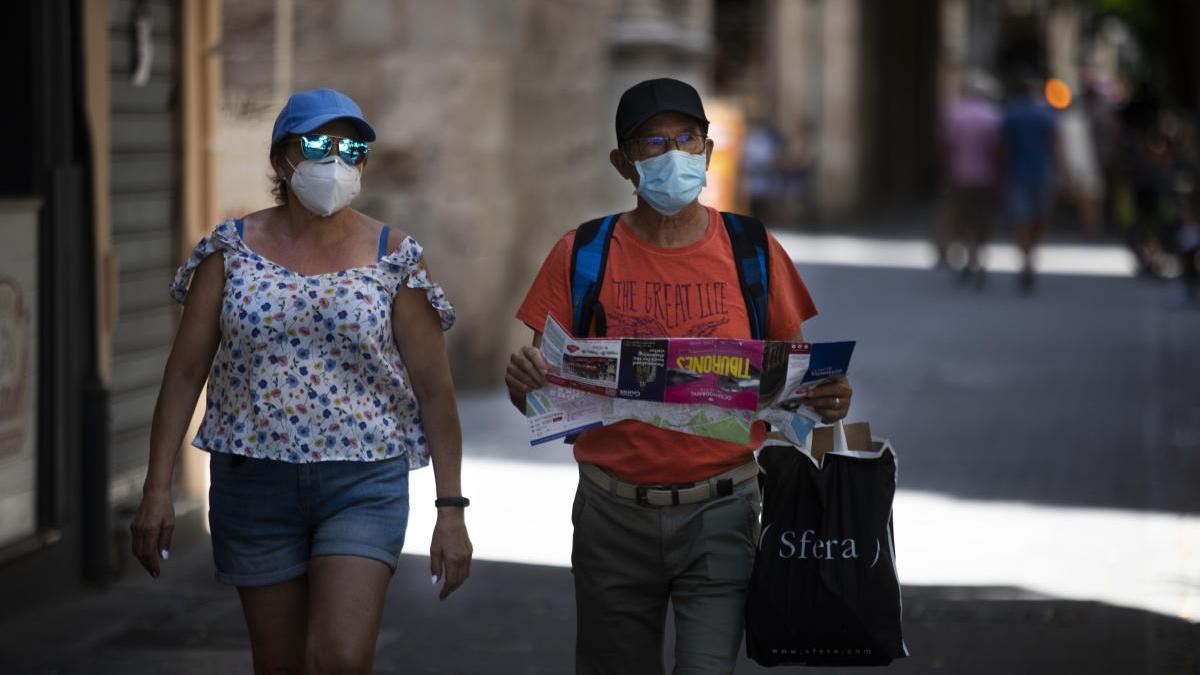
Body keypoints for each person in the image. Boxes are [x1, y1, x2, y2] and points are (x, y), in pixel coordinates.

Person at [505, 78, 853, 674]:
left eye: (687, 138)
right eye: (652, 142)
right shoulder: (583, 251)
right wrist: (523, 381)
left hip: (723, 511)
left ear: (708, 152)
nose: (673, 154)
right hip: (611, 517)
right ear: (623, 162)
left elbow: (795, 376)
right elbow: (542, 388)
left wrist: (829, 397)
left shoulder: (752, 249)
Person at [129, 88, 473, 674]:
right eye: (318, 144)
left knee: (341, 657)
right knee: (280, 663)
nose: (335, 160)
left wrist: (451, 510)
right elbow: (185, 372)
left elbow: (435, 391)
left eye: (352, 147)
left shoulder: (396, 258)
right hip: (253, 484)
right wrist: (157, 487)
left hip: (363, 482)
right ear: (281, 158)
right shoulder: (228, 252)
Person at [939, 73, 1002, 287]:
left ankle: (969, 254)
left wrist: (948, 172)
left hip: (961, 177)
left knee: (964, 220)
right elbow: (998, 150)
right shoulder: (993, 116)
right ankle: (980, 258)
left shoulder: (956, 115)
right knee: (983, 220)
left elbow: (948, 147)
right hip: (986, 178)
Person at [1002, 77, 1059, 294]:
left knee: (1021, 220)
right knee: (1039, 220)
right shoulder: (1045, 114)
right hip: (1042, 174)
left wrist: (1001, 174)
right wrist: (1060, 172)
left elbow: (1004, 148)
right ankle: (1030, 257)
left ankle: (1025, 258)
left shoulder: (1012, 114)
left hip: (1017, 175)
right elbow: (1055, 144)